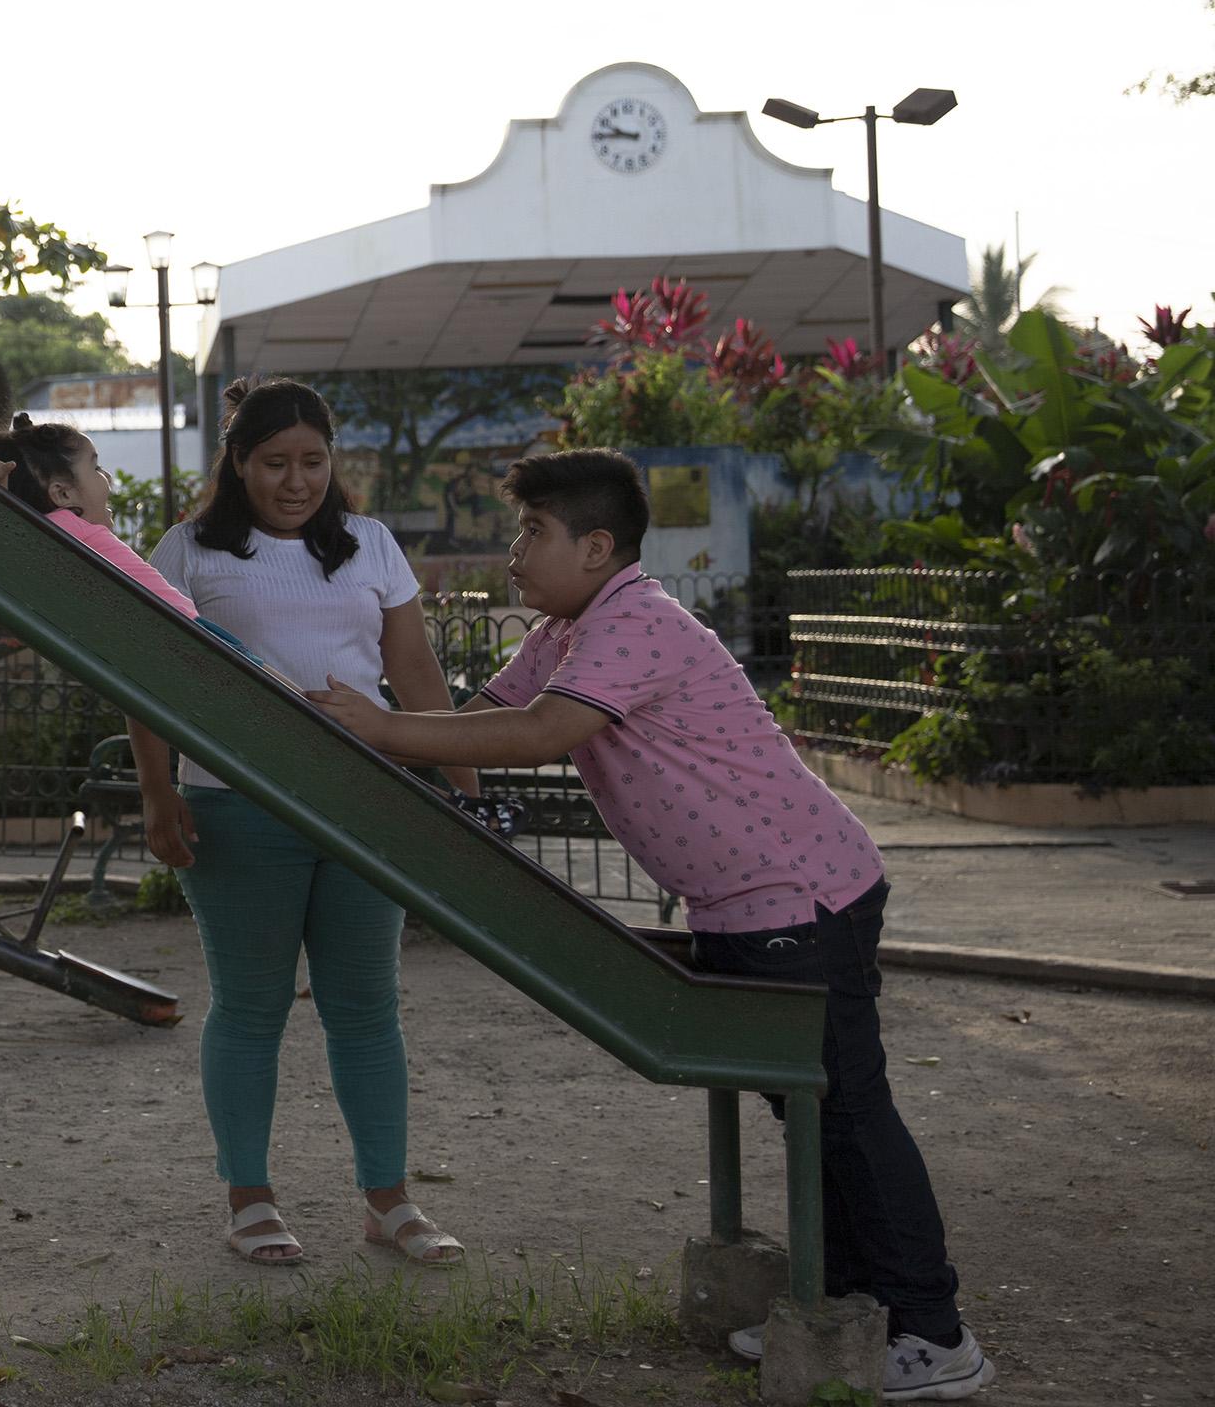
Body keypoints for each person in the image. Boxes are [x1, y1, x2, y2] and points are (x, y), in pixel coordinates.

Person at [306, 448, 990, 1401]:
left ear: (596, 547)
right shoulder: (565, 629)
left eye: (530, 532)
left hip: (803, 895)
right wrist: (372, 732)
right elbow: (487, 717)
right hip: (747, 904)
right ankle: (850, 1306)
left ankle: (933, 1329)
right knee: (810, 1112)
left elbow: (538, 735)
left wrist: (380, 730)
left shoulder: (639, 624)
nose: (513, 552)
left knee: (846, 1112)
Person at [135, 377, 468, 1270]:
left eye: (312, 461)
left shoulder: (372, 546)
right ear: (237, 465)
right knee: (251, 1007)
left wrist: (463, 787)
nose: (295, 480)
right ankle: (250, 1197)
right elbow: (143, 676)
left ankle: (388, 1201)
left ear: (334, 461)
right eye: (274, 463)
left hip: (367, 805)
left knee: (368, 1011)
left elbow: (416, 675)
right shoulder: (189, 552)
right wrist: (159, 793)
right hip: (237, 808)